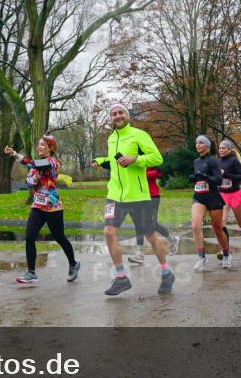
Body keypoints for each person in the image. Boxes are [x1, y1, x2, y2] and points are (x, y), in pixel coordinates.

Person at [92, 103, 173, 296]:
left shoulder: (139, 135)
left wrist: (136, 159)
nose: (117, 116)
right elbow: (114, 161)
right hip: (115, 195)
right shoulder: (112, 139)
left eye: (121, 113)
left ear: (127, 116)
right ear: (110, 119)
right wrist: (100, 161)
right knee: (109, 232)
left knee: (150, 236)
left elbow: (157, 158)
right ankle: (121, 278)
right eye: (114, 114)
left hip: (138, 196)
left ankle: (166, 273)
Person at [4, 134, 81, 285]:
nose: (39, 147)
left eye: (43, 145)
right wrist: (34, 179)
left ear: (50, 148)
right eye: (38, 144)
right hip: (38, 206)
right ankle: (31, 272)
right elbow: (29, 181)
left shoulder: (52, 162)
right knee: (29, 236)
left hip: (52, 207)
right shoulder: (36, 164)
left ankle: (73, 264)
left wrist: (16, 155)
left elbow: (33, 164)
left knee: (59, 237)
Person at [189, 135, 230, 271]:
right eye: (196, 143)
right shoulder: (195, 161)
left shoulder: (213, 161)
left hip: (213, 197)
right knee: (195, 226)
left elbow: (218, 180)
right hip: (199, 197)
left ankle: (226, 254)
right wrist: (194, 178)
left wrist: (205, 177)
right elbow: (198, 179)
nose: (198, 145)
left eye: (201, 143)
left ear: (206, 146)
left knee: (217, 229)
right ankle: (201, 257)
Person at [127, 166, 179, 265]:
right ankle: (139, 254)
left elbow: (159, 174)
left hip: (153, 196)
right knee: (139, 224)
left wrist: (146, 174)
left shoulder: (150, 161)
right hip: (139, 197)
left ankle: (172, 240)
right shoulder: (134, 162)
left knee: (153, 224)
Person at [216, 139, 241, 251]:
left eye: (223, 148)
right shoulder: (217, 162)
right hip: (223, 195)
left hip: (235, 194)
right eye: (220, 148)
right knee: (221, 223)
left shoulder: (234, 161)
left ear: (229, 150)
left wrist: (227, 175)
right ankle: (225, 250)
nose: (221, 150)